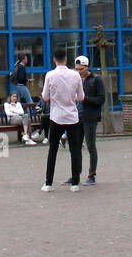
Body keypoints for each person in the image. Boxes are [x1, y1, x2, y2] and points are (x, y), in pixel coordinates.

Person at [40, 48, 84, 192]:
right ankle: (75, 183)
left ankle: (48, 183)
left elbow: (45, 97)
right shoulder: (75, 75)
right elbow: (81, 97)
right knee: (75, 150)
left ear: (54, 59)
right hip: (72, 117)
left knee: (52, 150)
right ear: (66, 59)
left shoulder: (50, 75)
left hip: (56, 117)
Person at [75, 55, 104, 185]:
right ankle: (75, 174)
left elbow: (100, 100)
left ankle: (92, 175)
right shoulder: (76, 79)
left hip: (90, 117)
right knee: (75, 147)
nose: (79, 71)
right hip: (77, 117)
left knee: (91, 146)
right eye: (77, 69)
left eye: (81, 69)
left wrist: (85, 99)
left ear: (87, 67)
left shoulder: (96, 80)